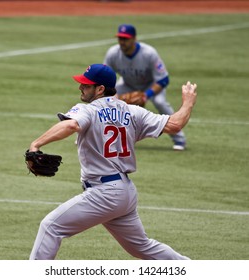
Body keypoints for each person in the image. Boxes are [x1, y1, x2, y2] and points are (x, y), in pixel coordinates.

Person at [27, 63, 197, 260]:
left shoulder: (87, 110)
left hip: (104, 193)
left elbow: (71, 124)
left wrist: (36, 144)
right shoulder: (134, 112)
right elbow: (175, 124)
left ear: (100, 89)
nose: (80, 87)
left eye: (86, 84)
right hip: (124, 193)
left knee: (51, 227)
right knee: (141, 247)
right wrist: (188, 103)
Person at [104, 24, 186, 151]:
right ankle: (99, 137)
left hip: (151, 85)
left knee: (160, 102)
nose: (122, 42)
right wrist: (113, 97)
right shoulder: (113, 53)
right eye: (120, 38)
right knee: (106, 102)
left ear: (134, 38)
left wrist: (146, 95)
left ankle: (179, 139)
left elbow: (163, 79)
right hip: (127, 84)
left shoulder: (148, 53)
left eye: (125, 39)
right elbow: (106, 77)